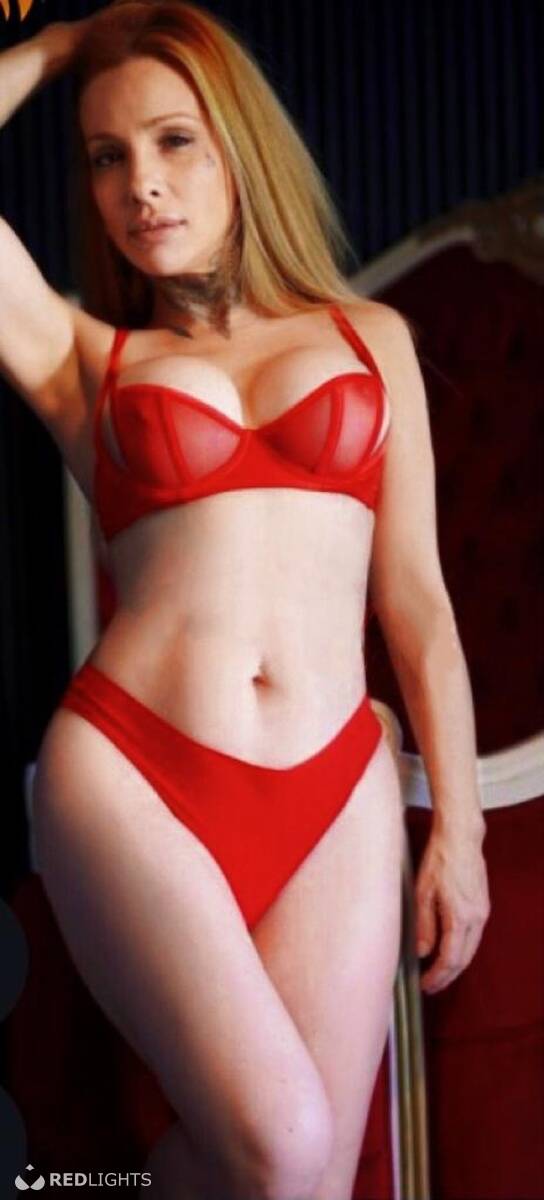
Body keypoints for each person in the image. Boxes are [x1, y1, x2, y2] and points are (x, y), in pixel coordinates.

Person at [0, 3, 490, 1197]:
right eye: (107, 155)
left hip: (336, 785)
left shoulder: (369, 338)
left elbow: (417, 603)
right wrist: (67, 43)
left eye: (174, 140)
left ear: (238, 147)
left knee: (302, 1177)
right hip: (133, 774)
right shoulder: (83, 359)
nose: (139, 184)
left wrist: (460, 829)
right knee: (277, 1149)